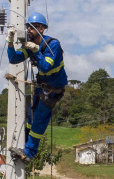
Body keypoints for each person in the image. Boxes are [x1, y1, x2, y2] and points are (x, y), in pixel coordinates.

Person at [6, 12, 68, 164]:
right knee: (30, 118)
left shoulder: (52, 45)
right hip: (42, 88)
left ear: (41, 29)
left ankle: (29, 153)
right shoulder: (31, 45)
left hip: (53, 90)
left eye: (32, 27)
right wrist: (10, 42)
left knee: (39, 121)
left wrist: (36, 51)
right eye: (28, 27)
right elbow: (13, 58)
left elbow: (46, 66)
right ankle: (24, 145)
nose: (28, 30)